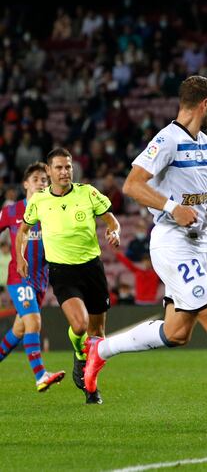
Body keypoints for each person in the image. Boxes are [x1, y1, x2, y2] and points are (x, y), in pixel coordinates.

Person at [82, 75, 207, 438]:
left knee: (176, 333)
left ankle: (102, 348)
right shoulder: (167, 139)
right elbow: (131, 185)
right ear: (204, 103)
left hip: (196, 241)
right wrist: (172, 208)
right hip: (172, 243)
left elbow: (196, 193)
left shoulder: (204, 142)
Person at [17, 149, 120, 404]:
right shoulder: (39, 201)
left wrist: (114, 232)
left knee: (98, 335)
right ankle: (79, 355)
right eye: (59, 168)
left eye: (68, 167)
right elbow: (23, 230)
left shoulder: (87, 193)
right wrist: (21, 256)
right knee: (80, 325)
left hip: (92, 268)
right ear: (49, 171)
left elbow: (112, 220)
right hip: (63, 271)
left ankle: (91, 386)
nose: (64, 172)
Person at [0, 162, 65, 391]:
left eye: (45, 180)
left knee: (19, 330)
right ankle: (40, 375)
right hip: (19, 278)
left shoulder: (53, 211)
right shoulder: (11, 211)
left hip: (40, 280)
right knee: (34, 322)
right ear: (25, 184)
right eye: (36, 179)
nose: (41, 183)